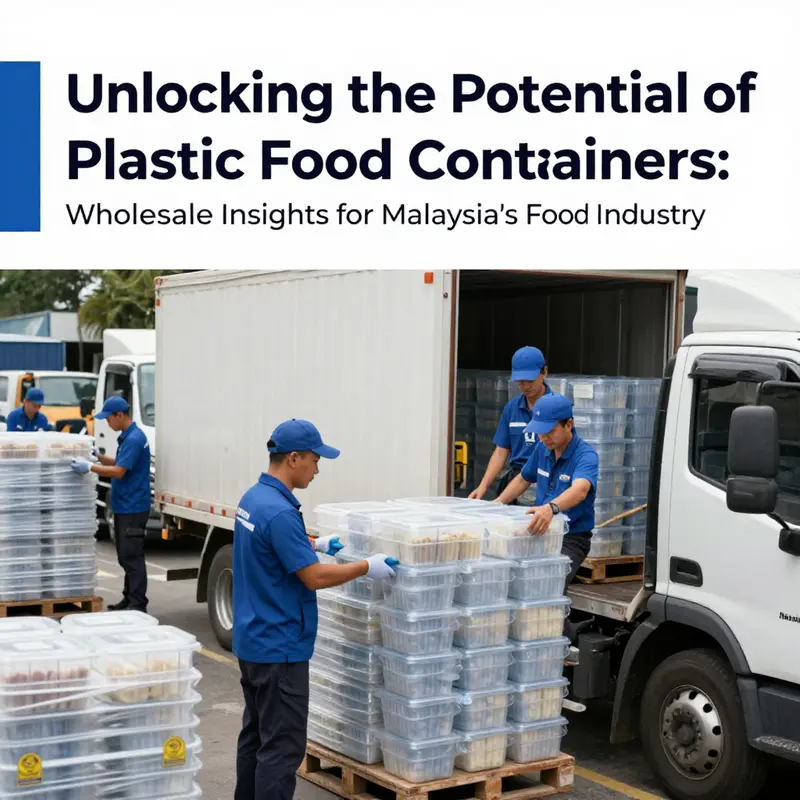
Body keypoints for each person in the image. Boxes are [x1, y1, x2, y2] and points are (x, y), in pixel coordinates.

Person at [233, 418, 397, 800]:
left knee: (254, 737)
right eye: (315, 459)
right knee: (282, 748)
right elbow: (314, 578)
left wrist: (314, 543)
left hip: (252, 641)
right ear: (293, 458)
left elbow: (271, 549)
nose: (318, 468)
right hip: (280, 649)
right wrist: (365, 566)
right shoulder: (281, 511)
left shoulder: (253, 499)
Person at [495, 393, 598, 642]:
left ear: (568, 424)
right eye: (540, 432)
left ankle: (562, 646)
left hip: (571, 538)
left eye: (549, 431)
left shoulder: (585, 456)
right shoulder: (542, 449)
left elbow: (580, 489)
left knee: (550, 581)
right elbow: (522, 479)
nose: (543, 437)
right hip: (541, 532)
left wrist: (551, 508)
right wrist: (496, 505)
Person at [70, 396, 151, 612]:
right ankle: (129, 598)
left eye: (108, 418)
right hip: (126, 506)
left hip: (133, 506)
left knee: (131, 557)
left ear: (119, 415)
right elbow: (119, 463)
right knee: (126, 555)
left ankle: (137, 603)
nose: (107, 423)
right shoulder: (129, 437)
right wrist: (99, 458)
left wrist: (90, 467)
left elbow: (119, 471)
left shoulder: (134, 439)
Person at [470, 346, 552, 502]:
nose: (525, 386)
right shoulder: (512, 409)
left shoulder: (558, 409)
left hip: (547, 482)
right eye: (520, 382)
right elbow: (501, 451)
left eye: (530, 381)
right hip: (516, 483)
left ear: (544, 372)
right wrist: (483, 486)